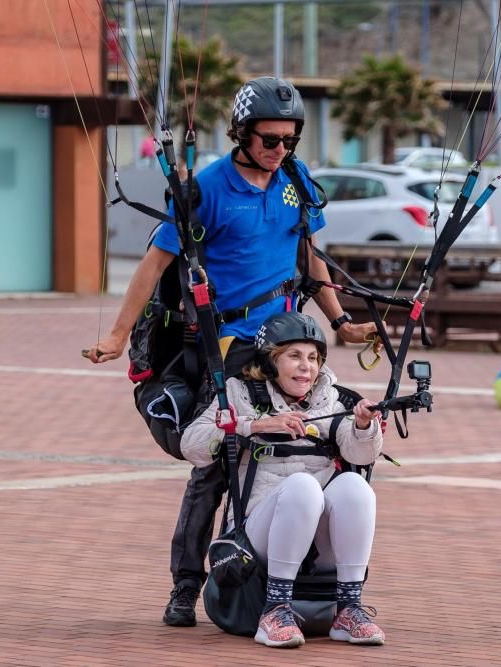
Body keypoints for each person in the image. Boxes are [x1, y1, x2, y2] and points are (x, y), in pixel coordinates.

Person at [83, 76, 377, 627]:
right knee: (217, 467)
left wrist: (339, 322)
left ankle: (299, 587)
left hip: (290, 342)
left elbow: (311, 254)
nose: (279, 150)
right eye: (269, 139)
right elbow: (155, 264)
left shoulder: (294, 178)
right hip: (232, 348)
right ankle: (185, 587)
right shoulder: (210, 188)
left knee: (322, 447)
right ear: (241, 134)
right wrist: (117, 335)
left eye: (289, 140)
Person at [180, 311, 386, 648]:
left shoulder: (329, 399)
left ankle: (348, 609)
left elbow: (361, 455)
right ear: (271, 360)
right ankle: (275, 609)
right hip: (257, 534)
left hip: (317, 536)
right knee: (303, 487)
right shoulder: (239, 392)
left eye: (313, 357)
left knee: (355, 487)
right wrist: (255, 425)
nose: (306, 366)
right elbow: (193, 446)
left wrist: (363, 425)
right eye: (294, 356)